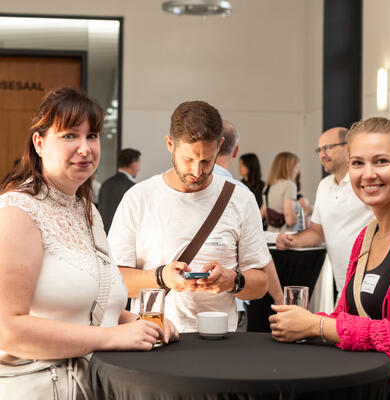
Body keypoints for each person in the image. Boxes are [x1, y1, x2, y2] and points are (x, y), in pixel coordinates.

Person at [0, 88, 177, 399]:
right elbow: (7, 330)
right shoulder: (17, 212)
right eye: (70, 136)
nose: (85, 148)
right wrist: (111, 337)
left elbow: (93, 305)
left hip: (94, 384)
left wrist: (143, 322)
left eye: (92, 136)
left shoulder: (87, 211)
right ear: (39, 143)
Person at [108, 100, 271, 333]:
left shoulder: (240, 200)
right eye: (188, 159)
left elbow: (260, 284)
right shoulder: (139, 198)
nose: (197, 171)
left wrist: (232, 280)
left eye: (206, 160)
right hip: (154, 337)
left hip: (220, 341)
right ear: (169, 144)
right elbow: (115, 282)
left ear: (220, 145)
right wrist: (161, 277)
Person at [269, 117, 390, 397]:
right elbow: (345, 315)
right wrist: (305, 323)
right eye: (358, 163)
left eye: (381, 161)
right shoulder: (366, 237)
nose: (367, 174)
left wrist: (317, 325)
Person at [276, 127, 374, 296]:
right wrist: (291, 240)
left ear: (348, 148)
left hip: (371, 280)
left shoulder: (365, 181)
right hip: (342, 282)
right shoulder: (324, 185)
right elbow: (316, 232)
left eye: (327, 148)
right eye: (319, 150)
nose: (322, 154)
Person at [213, 120, 283, 331]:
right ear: (235, 151)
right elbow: (259, 252)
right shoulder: (241, 193)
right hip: (229, 306)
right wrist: (280, 300)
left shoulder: (170, 190)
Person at [98, 148, 141, 234]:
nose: (139, 168)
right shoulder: (132, 188)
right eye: (139, 164)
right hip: (122, 239)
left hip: (103, 237)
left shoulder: (105, 184)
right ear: (134, 165)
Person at [263, 152, 299, 233]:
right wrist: (306, 213)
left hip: (271, 236)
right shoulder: (289, 185)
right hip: (287, 237)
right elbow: (290, 220)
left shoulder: (268, 187)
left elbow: (263, 214)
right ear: (288, 168)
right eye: (296, 168)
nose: (297, 172)